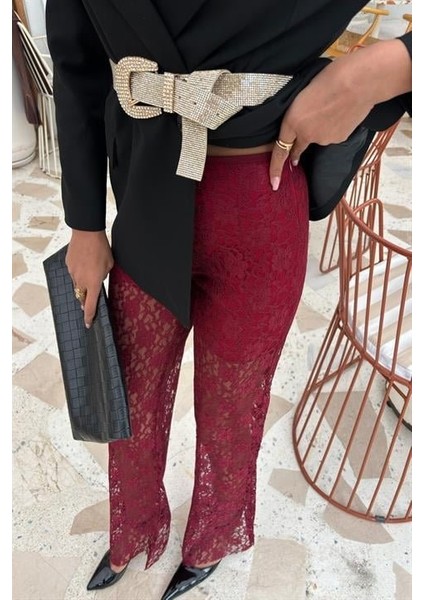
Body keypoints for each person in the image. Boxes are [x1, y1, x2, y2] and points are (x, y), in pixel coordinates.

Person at [44, 1, 411, 598]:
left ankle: (213, 536)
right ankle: (133, 527)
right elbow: (77, 64)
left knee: (235, 404)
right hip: (145, 198)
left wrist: (386, 69)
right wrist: (83, 224)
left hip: (262, 200)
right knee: (133, 395)